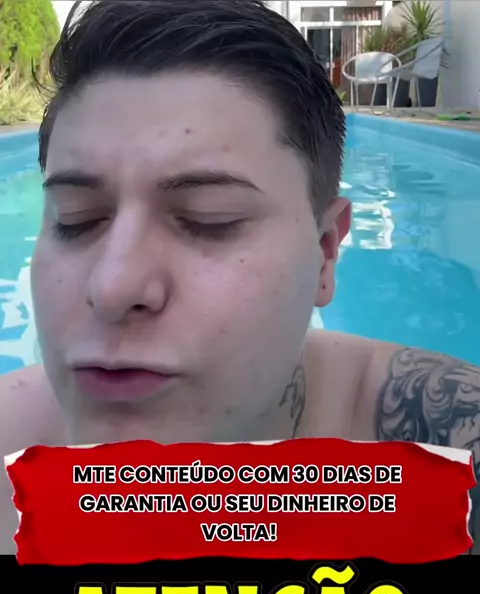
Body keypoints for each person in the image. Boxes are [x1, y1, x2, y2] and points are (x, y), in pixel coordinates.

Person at [0, 0, 478, 553]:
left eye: (211, 220)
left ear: (325, 254)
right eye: (75, 219)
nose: (112, 287)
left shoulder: (442, 440)